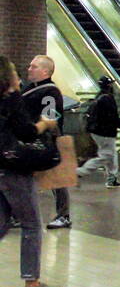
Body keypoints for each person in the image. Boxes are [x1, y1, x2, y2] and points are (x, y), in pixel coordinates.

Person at [0, 54, 61, 287]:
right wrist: (45, 125)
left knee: (2, 223)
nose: (23, 71)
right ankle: (32, 282)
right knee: (32, 224)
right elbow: (25, 132)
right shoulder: (12, 98)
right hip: (14, 166)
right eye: (17, 69)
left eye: (32, 66)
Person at [21, 55, 72, 227]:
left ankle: (63, 215)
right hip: (30, 140)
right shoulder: (31, 89)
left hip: (45, 141)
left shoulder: (49, 91)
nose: (29, 69)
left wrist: (40, 131)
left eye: (33, 66)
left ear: (45, 71)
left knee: (57, 179)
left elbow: (50, 117)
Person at [78, 76, 120, 188]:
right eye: (112, 84)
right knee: (106, 156)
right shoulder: (107, 99)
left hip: (98, 131)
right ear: (109, 85)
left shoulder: (100, 96)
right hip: (105, 133)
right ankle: (79, 172)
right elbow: (114, 118)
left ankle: (112, 179)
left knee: (111, 155)